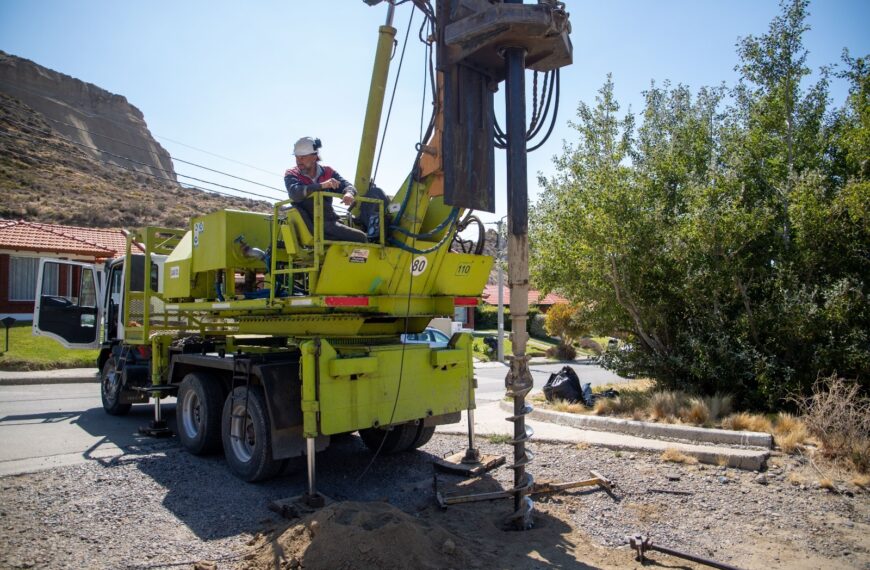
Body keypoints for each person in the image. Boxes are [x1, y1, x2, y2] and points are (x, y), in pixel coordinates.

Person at [284, 136, 367, 243]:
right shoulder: (292, 174)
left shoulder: (328, 172)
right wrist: (322, 186)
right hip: (316, 224)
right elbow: (295, 193)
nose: (298, 161)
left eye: (302, 157)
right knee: (362, 238)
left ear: (314, 157)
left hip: (329, 223)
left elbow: (347, 185)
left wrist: (349, 193)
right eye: (297, 157)